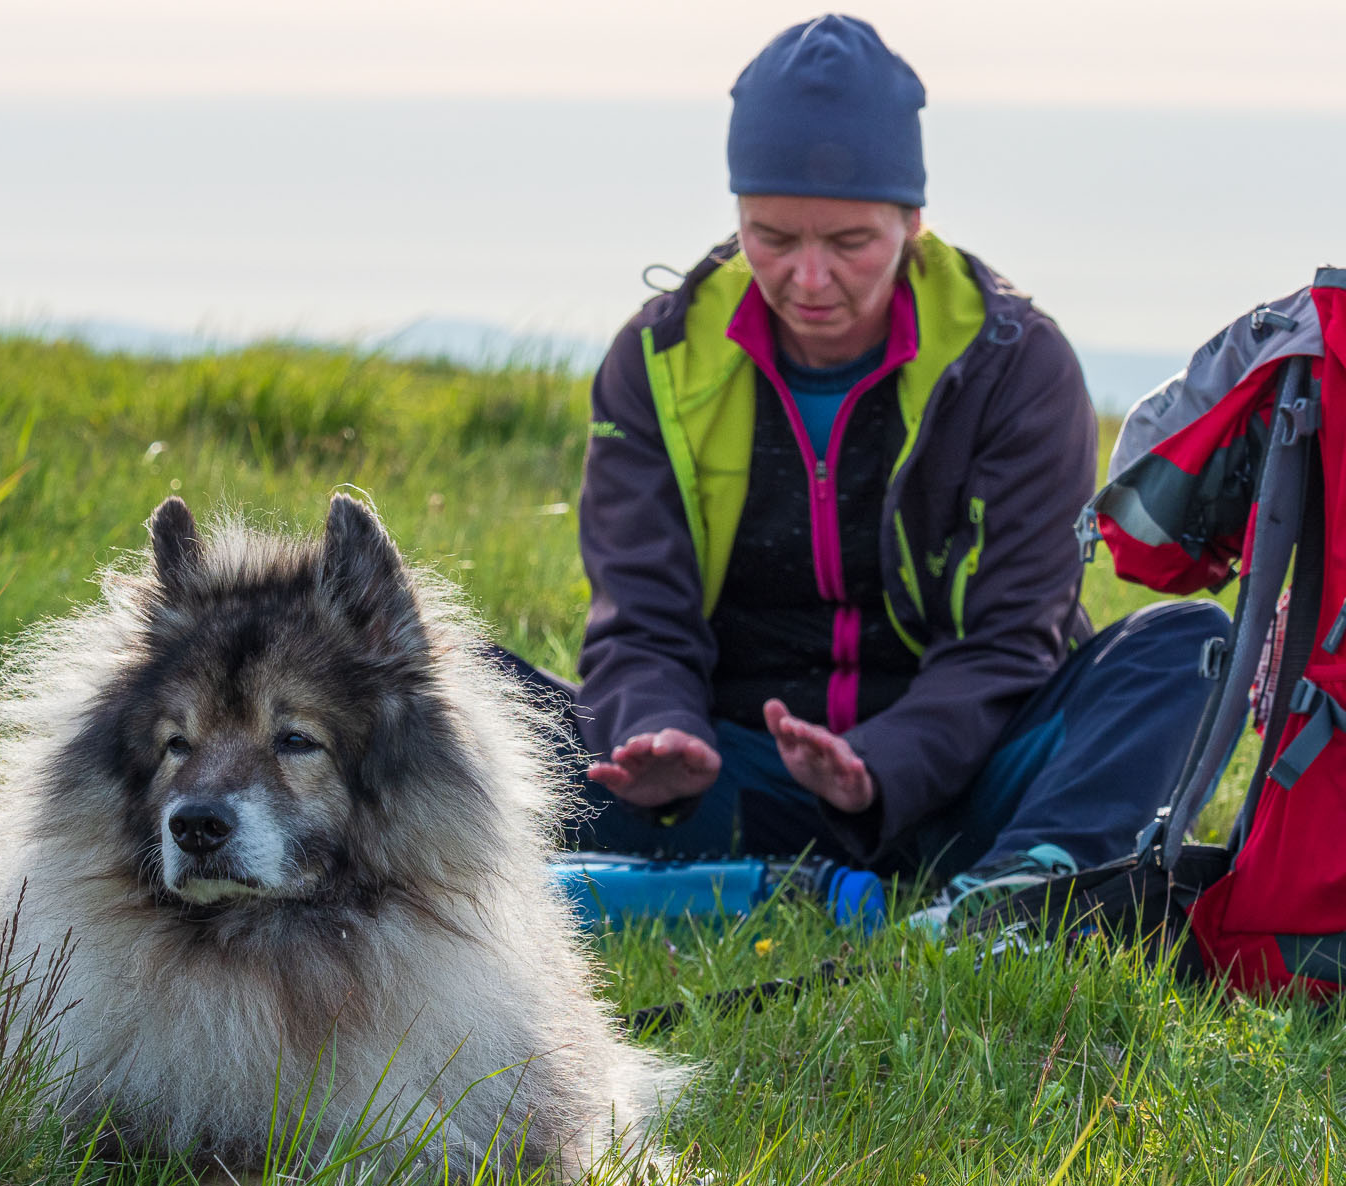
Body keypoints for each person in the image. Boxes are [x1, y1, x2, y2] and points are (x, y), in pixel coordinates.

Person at [522, 15, 1225, 918]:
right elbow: (641, 620)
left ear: (912, 223)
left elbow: (1012, 644)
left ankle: (1014, 894)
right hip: (733, 779)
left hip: (972, 783)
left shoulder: (1017, 364)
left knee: (1190, 644)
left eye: (850, 242)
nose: (809, 278)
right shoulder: (655, 360)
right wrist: (662, 735)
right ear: (738, 216)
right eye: (772, 236)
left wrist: (878, 767)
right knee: (446, 680)